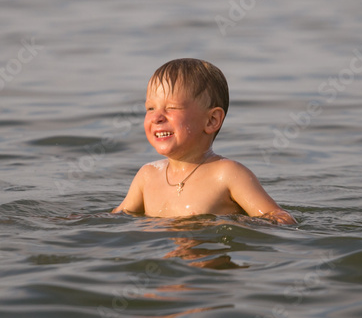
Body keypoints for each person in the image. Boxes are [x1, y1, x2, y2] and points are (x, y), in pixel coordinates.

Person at [113, 58, 295, 224]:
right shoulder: (147, 176)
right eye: (150, 108)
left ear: (211, 120)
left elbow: (280, 218)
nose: (157, 117)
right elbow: (115, 219)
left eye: (171, 108)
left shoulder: (227, 174)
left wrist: (242, 225)